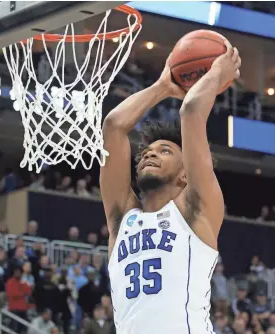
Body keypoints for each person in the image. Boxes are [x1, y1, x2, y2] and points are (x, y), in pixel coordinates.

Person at [100, 38, 241, 334]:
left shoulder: (195, 211)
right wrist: (163, 85)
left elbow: (190, 111)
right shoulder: (122, 220)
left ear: (185, 175)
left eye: (165, 151)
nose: (150, 152)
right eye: (147, 152)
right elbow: (113, 125)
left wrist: (218, 71)